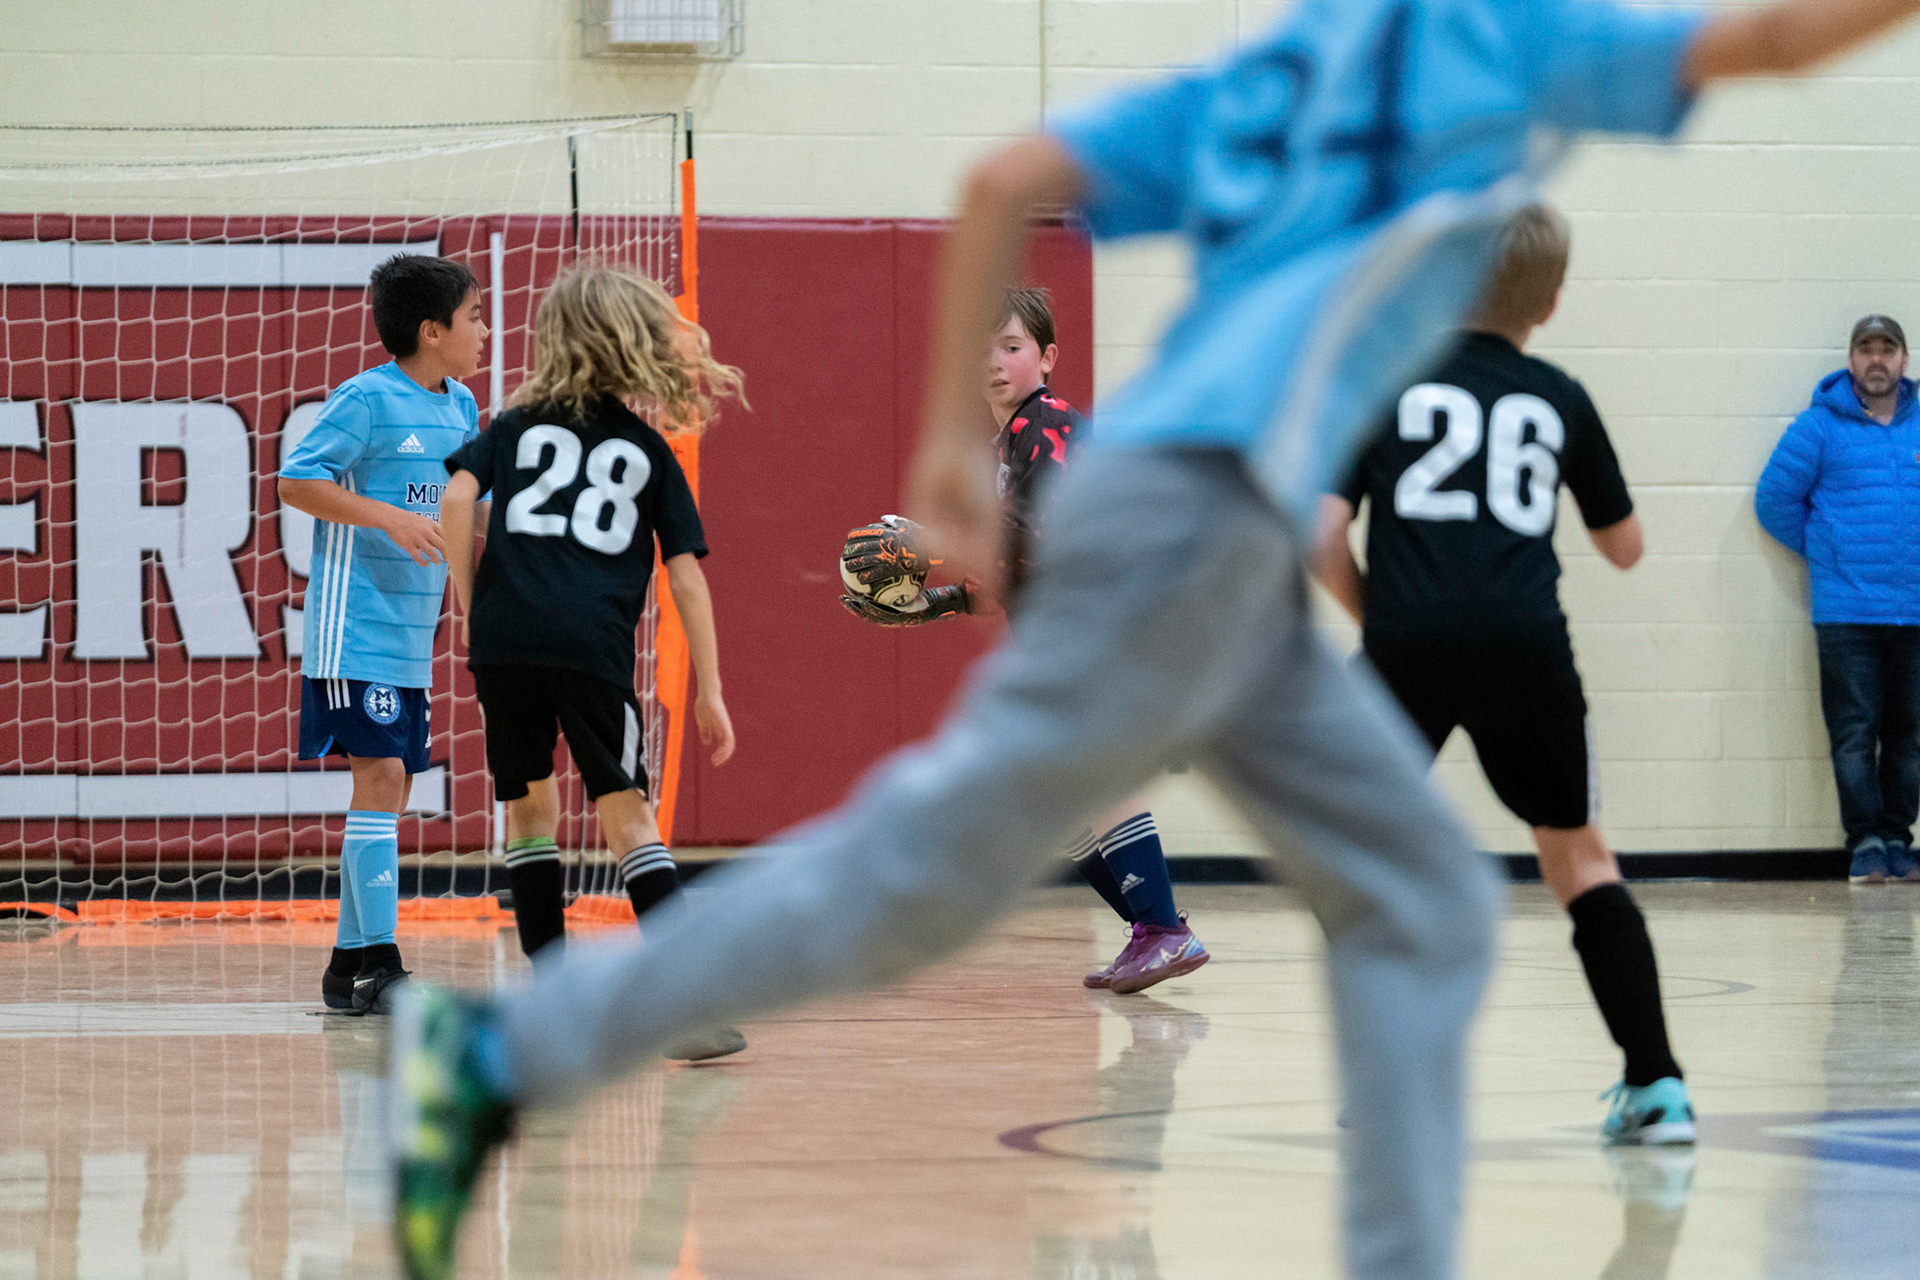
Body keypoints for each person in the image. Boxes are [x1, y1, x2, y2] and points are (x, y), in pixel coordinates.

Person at [390, 4, 1920, 1278]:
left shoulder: (1269, 72)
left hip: (1215, 538)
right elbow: (1780, 42)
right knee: (935, 877)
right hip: (1187, 520)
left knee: (1413, 899)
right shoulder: (1494, 46)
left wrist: (942, 455)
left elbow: (1003, 182)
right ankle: (508, 1061)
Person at [1314, 204, 1693, 1145]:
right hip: (1528, 643)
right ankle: (1658, 1088)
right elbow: (1626, 549)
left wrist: (1383, 617)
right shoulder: (1558, 395)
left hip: (1404, 647)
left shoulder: (1386, 382)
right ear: (1550, 303)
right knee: (1579, 857)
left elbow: (1319, 531)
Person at [839, 286, 1207, 993]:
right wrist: (932, 603)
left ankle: (1163, 931)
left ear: (1048, 357)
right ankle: (1151, 930)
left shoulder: (1049, 426)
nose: (995, 363)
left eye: (1010, 347)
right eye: (983, 350)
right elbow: (1015, 567)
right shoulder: (1007, 447)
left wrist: (938, 545)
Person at [439, 264, 747, 1058]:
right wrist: (710, 689)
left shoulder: (513, 425)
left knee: (530, 816)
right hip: (589, 648)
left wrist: (477, 611)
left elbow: (452, 501)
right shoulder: (646, 449)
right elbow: (686, 576)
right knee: (628, 818)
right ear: (632, 345)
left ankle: (552, 1008)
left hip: (503, 645)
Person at [277, 253, 485, 1015]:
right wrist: (389, 516)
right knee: (382, 781)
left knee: (391, 787)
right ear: (431, 331)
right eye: (473, 318)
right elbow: (296, 480)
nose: (484, 332)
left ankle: (346, 967)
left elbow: (461, 510)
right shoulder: (365, 398)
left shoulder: (462, 406)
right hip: (353, 627)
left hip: (409, 636)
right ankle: (382, 966)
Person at [1756, 314, 1920, 885]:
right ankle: (1866, 843)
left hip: (1916, 611)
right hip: (1847, 613)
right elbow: (1774, 501)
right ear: (1851, 361)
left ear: (1904, 359)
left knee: (1911, 736)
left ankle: (1901, 839)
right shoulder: (1817, 427)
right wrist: (1830, 554)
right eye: (1866, 349)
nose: (1877, 359)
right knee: (1854, 733)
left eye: (1888, 349)